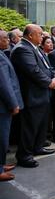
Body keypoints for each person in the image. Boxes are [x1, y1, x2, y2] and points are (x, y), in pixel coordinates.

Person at [11, 24, 55, 168]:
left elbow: (48, 67)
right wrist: (49, 82)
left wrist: (54, 77)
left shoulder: (34, 47)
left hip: (42, 93)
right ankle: (24, 155)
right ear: (30, 35)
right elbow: (33, 71)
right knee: (30, 127)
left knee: (41, 124)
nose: (43, 36)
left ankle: (37, 147)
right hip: (32, 95)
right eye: (40, 34)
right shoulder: (22, 49)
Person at [0, 48, 23, 181]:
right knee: (1, 138)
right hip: (3, 106)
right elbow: (4, 84)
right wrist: (13, 104)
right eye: (3, 38)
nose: (7, 40)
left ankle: (1, 164)